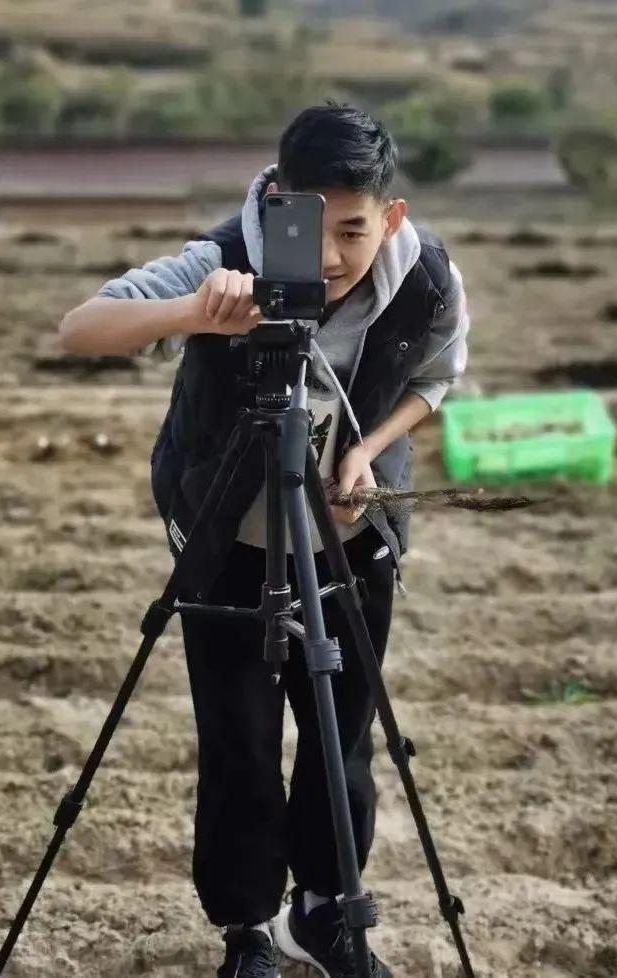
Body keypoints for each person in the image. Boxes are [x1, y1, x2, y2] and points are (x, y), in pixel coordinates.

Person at [58, 100, 470, 978]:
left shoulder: (425, 273)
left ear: (389, 215)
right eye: (306, 227)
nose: (327, 258)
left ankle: (325, 913)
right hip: (228, 540)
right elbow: (79, 328)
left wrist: (367, 446)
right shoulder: (223, 257)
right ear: (276, 197)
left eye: (353, 231)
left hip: (352, 542)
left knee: (341, 731)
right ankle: (247, 931)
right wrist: (193, 316)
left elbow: (437, 376)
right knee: (238, 736)